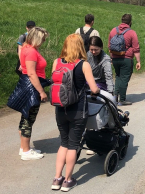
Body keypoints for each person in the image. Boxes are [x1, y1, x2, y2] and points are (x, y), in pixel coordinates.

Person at [51, 34, 100, 191]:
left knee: (63, 143)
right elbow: (93, 89)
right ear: (80, 46)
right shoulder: (83, 65)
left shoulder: (56, 62)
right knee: (73, 145)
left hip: (60, 109)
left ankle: (57, 178)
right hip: (78, 111)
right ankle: (67, 180)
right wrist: (96, 90)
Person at [19, 27, 49, 160]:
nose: (43, 41)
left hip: (29, 86)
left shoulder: (26, 48)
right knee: (28, 119)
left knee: (25, 117)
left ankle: (23, 147)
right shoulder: (31, 51)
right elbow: (31, 73)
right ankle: (26, 151)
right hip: (33, 87)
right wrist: (41, 91)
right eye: (42, 39)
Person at [108, 14, 141, 106]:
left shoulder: (113, 30)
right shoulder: (132, 33)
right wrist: (138, 61)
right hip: (126, 59)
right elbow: (136, 48)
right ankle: (122, 100)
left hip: (115, 58)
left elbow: (110, 46)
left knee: (118, 76)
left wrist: (112, 57)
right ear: (130, 22)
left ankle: (115, 97)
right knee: (124, 78)